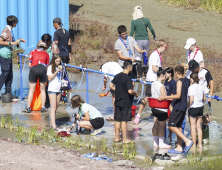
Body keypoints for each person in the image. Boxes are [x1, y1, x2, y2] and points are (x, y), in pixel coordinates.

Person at [158, 66, 193, 154]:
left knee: (171, 125)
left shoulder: (179, 82)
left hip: (178, 106)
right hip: (184, 106)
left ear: (176, 73)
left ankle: (187, 141)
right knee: (178, 126)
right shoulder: (187, 80)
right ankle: (179, 147)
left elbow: (178, 95)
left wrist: (164, 97)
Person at [134, 40, 167, 125]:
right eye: (165, 47)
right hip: (152, 80)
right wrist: (162, 73)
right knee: (147, 97)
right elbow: (154, 68)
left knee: (156, 97)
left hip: (157, 80)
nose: (165, 49)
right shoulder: (154, 55)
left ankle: (155, 113)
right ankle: (138, 115)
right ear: (161, 46)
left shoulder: (159, 55)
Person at [109, 60, 138, 143]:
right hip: (125, 102)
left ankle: (117, 138)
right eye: (131, 68)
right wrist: (135, 93)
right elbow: (129, 91)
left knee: (117, 120)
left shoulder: (117, 76)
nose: (131, 69)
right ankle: (125, 139)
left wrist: (118, 90)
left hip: (117, 101)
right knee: (124, 120)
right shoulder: (128, 78)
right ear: (129, 67)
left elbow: (110, 86)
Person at [0, 15, 26, 94]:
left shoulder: (10, 31)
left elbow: (12, 41)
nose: (16, 24)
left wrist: (19, 40)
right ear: (13, 23)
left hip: (9, 55)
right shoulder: (6, 31)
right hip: (4, 55)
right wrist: (11, 43)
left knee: (10, 75)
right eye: (15, 22)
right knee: (5, 73)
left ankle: (8, 93)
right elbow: (0, 41)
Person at [130, 6, 157, 79]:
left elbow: (132, 32)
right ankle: (146, 74)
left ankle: (140, 76)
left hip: (138, 41)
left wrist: (129, 41)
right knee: (145, 56)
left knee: (138, 58)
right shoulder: (146, 19)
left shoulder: (133, 21)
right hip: (146, 40)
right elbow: (151, 29)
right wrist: (155, 37)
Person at [22, 42, 49, 113]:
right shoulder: (46, 54)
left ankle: (28, 107)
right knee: (43, 90)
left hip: (34, 68)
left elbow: (29, 65)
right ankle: (43, 107)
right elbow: (47, 65)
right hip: (43, 69)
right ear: (45, 48)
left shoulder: (32, 51)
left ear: (37, 46)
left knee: (31, 90)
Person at [187, 60, 214, 126]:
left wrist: (210, 95)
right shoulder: (192, 73)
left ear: (197, 67)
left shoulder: (205, 72)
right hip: (196, 95)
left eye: (193, 69)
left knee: (206, 113)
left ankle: (208, 128)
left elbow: (212, 82)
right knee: (197, 113)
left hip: (205, 94)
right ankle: (199, 129)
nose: (192, 71)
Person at [151, 68, 171, 149]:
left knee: (156, 124)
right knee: (162, 125)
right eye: (164, 76)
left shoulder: (153, 83)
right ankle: (161, 142)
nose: (165, 78)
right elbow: (164, 96)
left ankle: (155, 141)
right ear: (161, 75)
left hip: (154, 107)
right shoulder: (161, 86)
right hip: (161, 108)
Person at [188, 73, 205, 148]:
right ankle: (200, 144)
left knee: (193, 127)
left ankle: (194, 144)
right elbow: (204, 99)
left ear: (192, 79)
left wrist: (187, 106)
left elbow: (191, 100)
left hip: (193, 107)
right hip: (200, 107)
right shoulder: (201, 87)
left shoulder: (191, 87)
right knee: (199, 126)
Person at [47, 54, 62, 130]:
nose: (58, 63)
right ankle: (54, 126)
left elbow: (58, 78)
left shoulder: (59, 67)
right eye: (57, 61)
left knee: (56, 108)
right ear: (53, 61)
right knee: (53, 107)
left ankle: (51, 123)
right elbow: (49, 78)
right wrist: (56, 72)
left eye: (59, 61)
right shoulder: (50, 67)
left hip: (58, 89)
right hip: (52, 89)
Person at [164, 67, 176, 142]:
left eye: (166, 73)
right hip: (165, 102)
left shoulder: (173, 83)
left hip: (170, 103)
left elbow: (172, 95)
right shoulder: (165, 81)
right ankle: (164, 135)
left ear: (170, 74)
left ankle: (169, 136)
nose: (165, 75)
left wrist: (170, 105)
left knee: (169, 120)